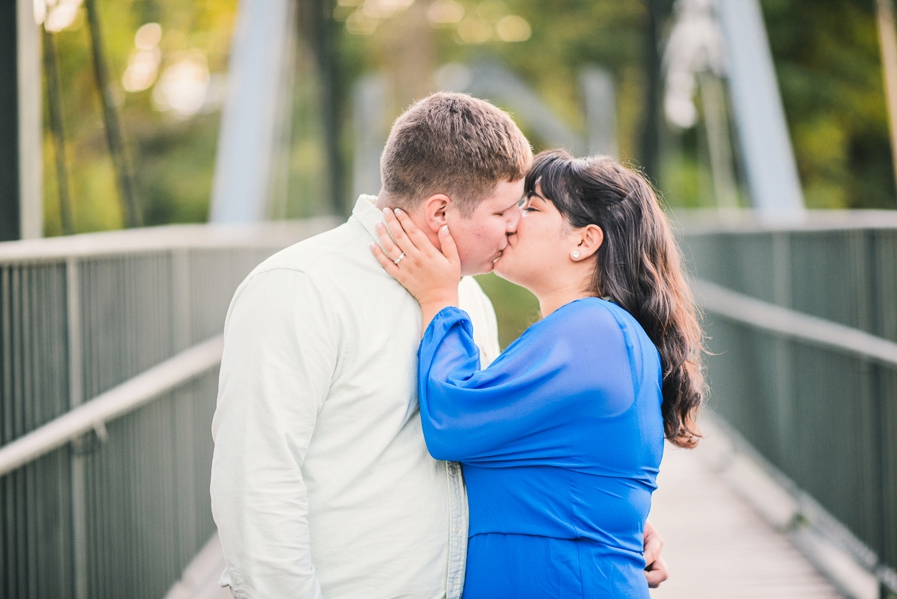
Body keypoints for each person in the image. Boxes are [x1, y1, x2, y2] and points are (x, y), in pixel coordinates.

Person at [210, 93, 668, 598]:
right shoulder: (299, 287)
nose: (515, 224)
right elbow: (256, 486)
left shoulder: (466, 299)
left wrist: (609, 517)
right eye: (505, 210)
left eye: (525, 208)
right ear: (441, 211)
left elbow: (491, 438)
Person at [372, 149, 703, 597]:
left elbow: (453, 422)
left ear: (584, 241)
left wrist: (438, 300)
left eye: (531, 206)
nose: (511, 220)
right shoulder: (593, 333)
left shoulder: (592, 329)